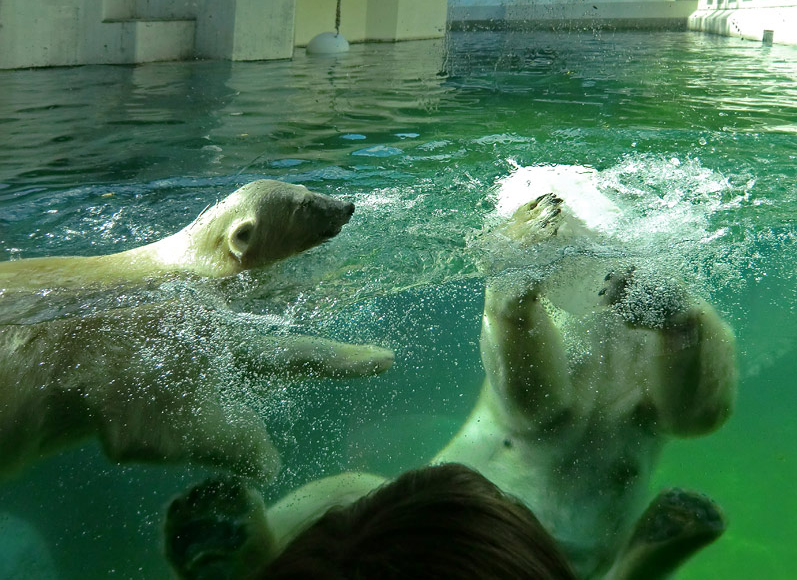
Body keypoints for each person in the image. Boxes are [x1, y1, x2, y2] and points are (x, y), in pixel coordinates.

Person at [166, 189, 735, 580]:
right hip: (457, 524)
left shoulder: (664, 308)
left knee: (349, 497)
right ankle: (252, 556)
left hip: (510, 544)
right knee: (351, 493)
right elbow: (535, 414)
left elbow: (698, 416)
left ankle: (638, 564)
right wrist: (513, 297)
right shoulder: (547, 309)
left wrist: (679, 320)